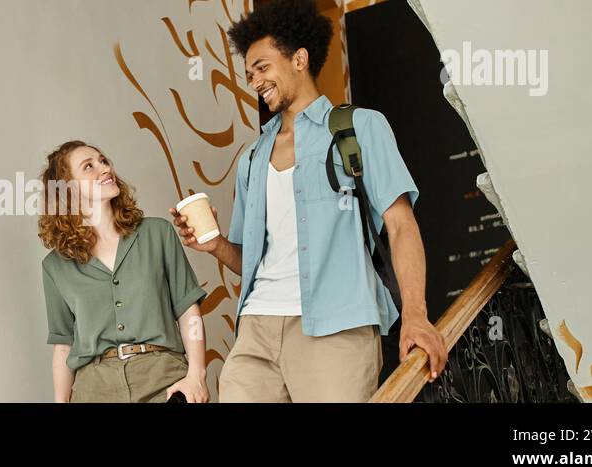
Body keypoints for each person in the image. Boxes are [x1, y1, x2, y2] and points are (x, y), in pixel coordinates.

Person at [170, 0, 446, 402]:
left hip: (336, 328)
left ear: (299, 59)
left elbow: (401, 224)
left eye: (262, 67)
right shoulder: (252, 157)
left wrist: (416, 316)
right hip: (256, 331)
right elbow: (249, 258)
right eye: (249, 74)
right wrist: (214, 246)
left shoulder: (360, 127)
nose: (254, 82)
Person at [38, 140, 209, 403]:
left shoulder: (157, 233)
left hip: (164, 380)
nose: (105, 169)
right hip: (94, 389)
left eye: (104, 161)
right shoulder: (54, 266)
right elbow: (64, 345)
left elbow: (188, 312)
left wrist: (196, 376)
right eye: (89, 166)